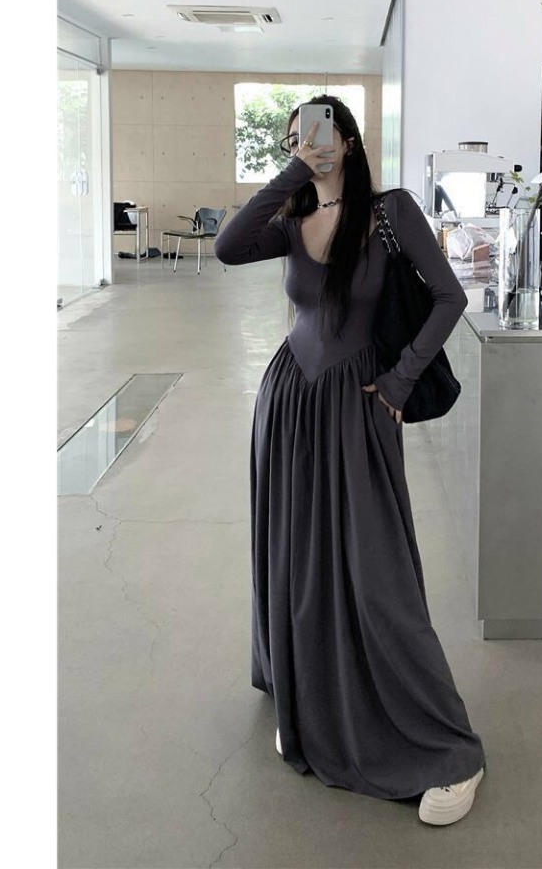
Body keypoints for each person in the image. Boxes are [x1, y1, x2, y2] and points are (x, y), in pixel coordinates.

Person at [214, 96, 486, 826]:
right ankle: (306, 692)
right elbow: (228, 247)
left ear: (352, 140)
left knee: (375, 570)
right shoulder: (292, 215)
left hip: (358, 404)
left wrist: (399, 381)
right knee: (295, 552)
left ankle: (448, 750)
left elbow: (448, 297)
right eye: (297, 136)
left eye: (322, 132)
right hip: (289, 401)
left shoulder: (391, 211)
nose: (311, 143)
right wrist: (292, 172)